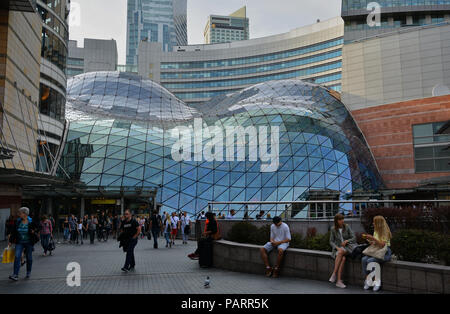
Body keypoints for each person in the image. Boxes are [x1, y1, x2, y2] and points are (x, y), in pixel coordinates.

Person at [361, 216, 392, 292]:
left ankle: (377, 282)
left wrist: (373, 238)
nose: (373, 223)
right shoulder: (376, 231)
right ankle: (368, 280)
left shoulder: (385, 232)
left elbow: (382, 245)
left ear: (378, 223)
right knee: (364, 259)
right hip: (377, 251)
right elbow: (376, 243)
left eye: (374, 222)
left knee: (371, 260)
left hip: (385, 252)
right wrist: (370, 240)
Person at [8, 207, 39, 281]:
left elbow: (38, 228)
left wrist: (34, 231)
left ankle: (28, 272)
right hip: (20, 242)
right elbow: (14, 232)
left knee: (29, 257)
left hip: (29, 242)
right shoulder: (18, 221)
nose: (19, 214)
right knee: (17, 256)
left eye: (20, 213)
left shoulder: (31, 221)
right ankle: (15, 274)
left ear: (24, 214)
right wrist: (10, 241)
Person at [329, 213, 357, 289]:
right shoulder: (333, 229)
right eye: (340, 219)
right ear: (336, 221)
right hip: (339, 249)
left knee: (341, 252)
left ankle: (334, 273)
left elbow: (354, 237)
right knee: (343, 258)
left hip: (348, 248)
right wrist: (337, 248)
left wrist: (347, 241)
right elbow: (331, 241)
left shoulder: (347, 227)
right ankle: (338, 281)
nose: (342, 221)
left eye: (342, 219)